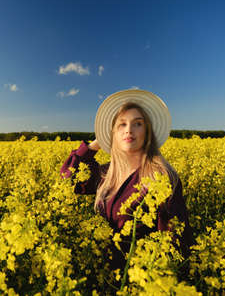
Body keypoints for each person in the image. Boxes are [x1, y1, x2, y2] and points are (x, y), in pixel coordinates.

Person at [60, 89, 193, 272]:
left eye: (138, 124)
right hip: (104, 277)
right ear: (113, 133)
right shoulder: (106, 174)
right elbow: (67, 179)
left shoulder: (160, 179)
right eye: (121, 125)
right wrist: (95, 144)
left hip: (142, 282)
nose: (129, 130)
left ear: (148, 132)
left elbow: (175, 241)